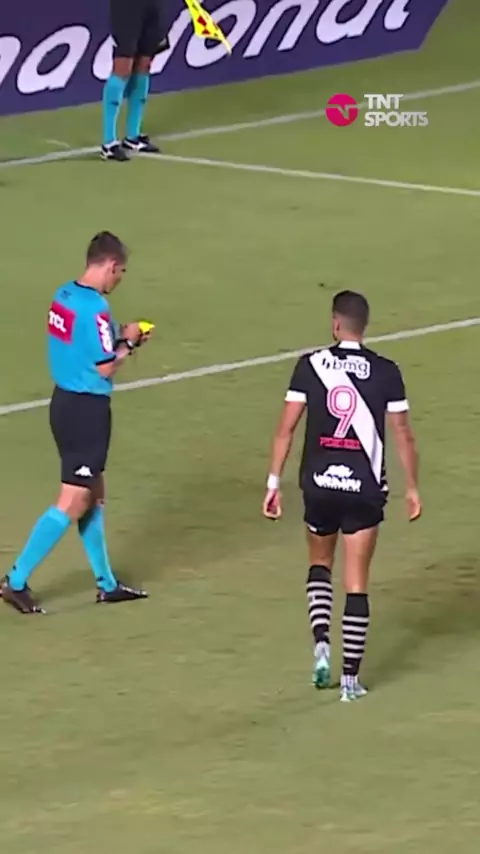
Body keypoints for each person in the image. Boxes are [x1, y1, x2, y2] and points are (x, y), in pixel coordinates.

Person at [262, 290, 421, 702]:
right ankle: (350, 681)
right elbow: (402, 433)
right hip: (363, 489)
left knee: (320, 564)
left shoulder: (310, 365)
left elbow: (285, 430)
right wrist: (412, 487)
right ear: (363, 326)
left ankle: (321, 645)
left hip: (319, 484)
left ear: (335, 324)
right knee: (356, 583)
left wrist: (273, 482)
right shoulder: (387, 371)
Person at [1, 232, 152, 614]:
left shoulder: (63, 295)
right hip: (86, 411)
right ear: (110, 265)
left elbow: (81, 345)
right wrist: (130, 342)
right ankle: (15, 581)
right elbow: (104, 367)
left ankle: (107, 584)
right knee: (74, 500)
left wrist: (116, 337)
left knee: (94, 495)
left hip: (64, 403)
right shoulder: (96, 307)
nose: (119, 280)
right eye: (120, 273)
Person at [101, 0, 170, 161]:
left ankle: (133, 137)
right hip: (127, 6)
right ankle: (109, 142)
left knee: (144, 65)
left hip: (154, 4)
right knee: (123, 66)